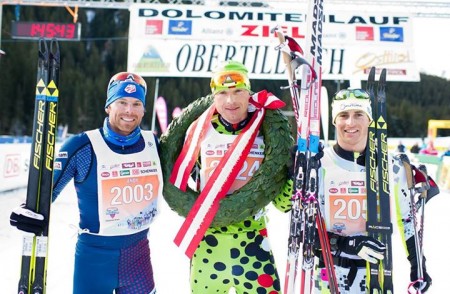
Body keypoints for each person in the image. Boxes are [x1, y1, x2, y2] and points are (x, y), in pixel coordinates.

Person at [10, 72, 162, 294]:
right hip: (94, 261)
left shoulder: (154, 144)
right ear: (108, 106)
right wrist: (25, 211)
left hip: (138, 259)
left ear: (143, 109)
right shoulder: (82, 146)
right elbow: (45, 193)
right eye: (122, 102)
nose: (129, 111)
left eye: (136, 103)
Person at [160, 60, 293, 293]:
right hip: (208, 246)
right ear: (213, 96)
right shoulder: (197, 131)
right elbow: (175, 181)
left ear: (248, 92)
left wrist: (295, 174)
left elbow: (283, 205)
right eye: (222, 93)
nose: (230, 101)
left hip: (254, 243)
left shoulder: (264, 129)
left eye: (237, 91)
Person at [313, 88, 434, 293]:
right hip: (328, 273)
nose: (350, 123)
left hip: (376, 275)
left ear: (369, 119)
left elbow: (407, 220)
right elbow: (303, 229)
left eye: (359, 114)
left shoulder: (392, 167)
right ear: (335, 121)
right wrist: (344, 243)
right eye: (343, 115)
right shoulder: (319, 164)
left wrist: (418, 265)